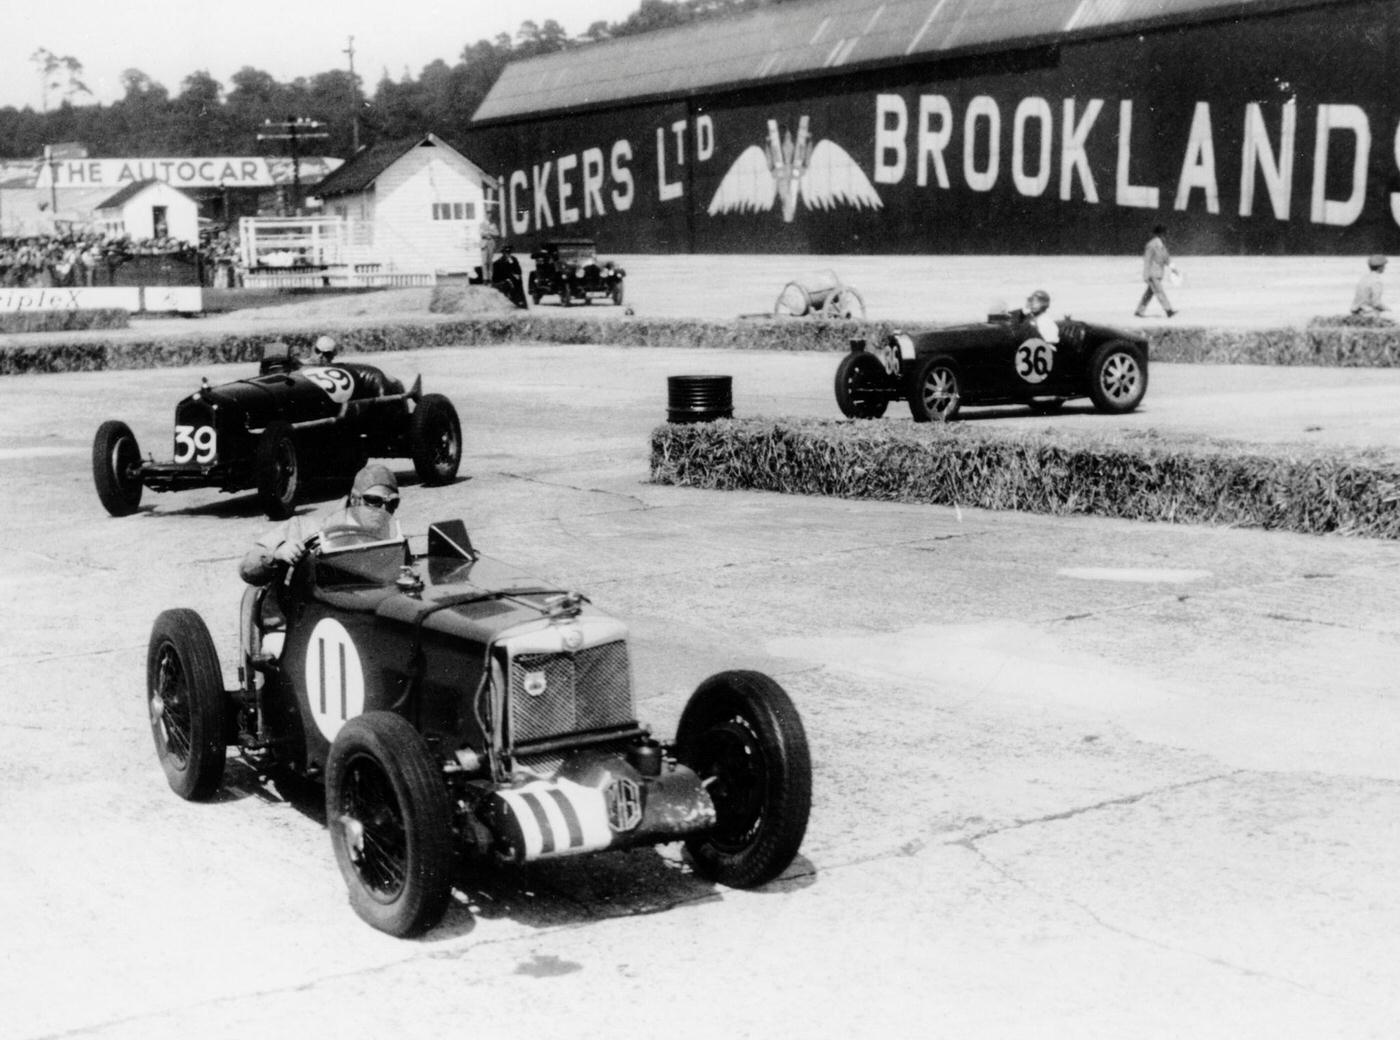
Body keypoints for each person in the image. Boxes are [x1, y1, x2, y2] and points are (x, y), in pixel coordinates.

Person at [239, 464, 402, 586]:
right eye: (374, 500)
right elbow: (247, 569)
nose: (384, 509)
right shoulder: (303, 528)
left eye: (392, 502)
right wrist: (276, 555)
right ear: (354, 499)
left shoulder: (392, 541)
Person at [1135, 224, 1176, 317]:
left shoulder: (1160, 245)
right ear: (1161, 234)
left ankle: (1139, 311)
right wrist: (1146, 275)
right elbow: (1147, 260)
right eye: (1165, 233)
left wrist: (1173, 269)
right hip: (1152, 274)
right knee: (1159, 292)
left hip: (1156, 274)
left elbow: (1166, 258)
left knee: (1148, 294)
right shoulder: (1152, 245)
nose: (1166, 236)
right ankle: (1168, 311)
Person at [491, 243, 527, 309]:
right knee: (509, 285)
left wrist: (516, 275)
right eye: (506, 252)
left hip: (513, 280)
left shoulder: (514, 260)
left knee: (518, 283)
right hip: (502, 281)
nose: (508, 254)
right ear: (503, 253)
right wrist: (507, 279)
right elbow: (495, 277)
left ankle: (521, 303)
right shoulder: (497, 263)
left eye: (509, 252)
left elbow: (519, 271)